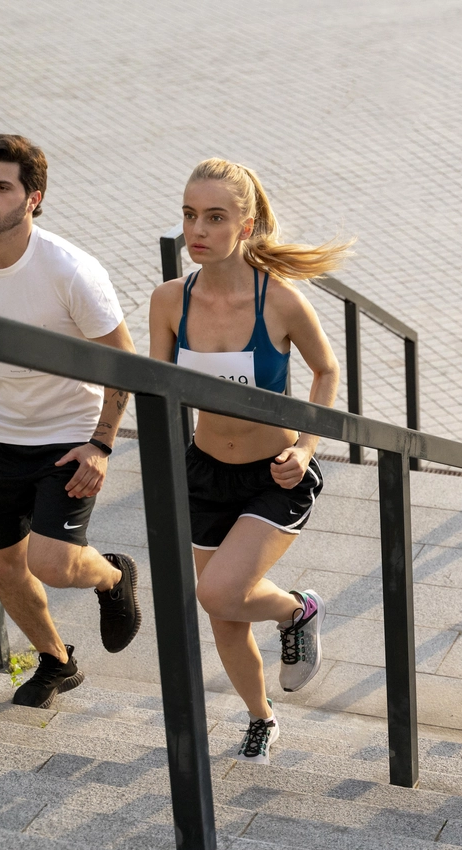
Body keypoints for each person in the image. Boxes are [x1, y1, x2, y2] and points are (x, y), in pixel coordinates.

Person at [0, 134, 142, 708]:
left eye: (1, 186)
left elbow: (124, 360)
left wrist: (101, 445)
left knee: (52, 560)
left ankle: (114, 575)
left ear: (33, 197)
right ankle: (58, 661)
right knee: (9, 569)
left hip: (69, 434)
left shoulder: (70, 270)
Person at [147, 158, 345, 765]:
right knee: (225, 613)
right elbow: (155, 388)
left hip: (273, 477)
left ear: (246, 224)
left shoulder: (279, 301)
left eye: (214, 217)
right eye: (188, 216)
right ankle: (261, 717)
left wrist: (305, 447)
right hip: (205, 472)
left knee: (218, 591)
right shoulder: (168, 302)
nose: (197, 230)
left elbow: (326, 371)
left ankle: (297, 609)